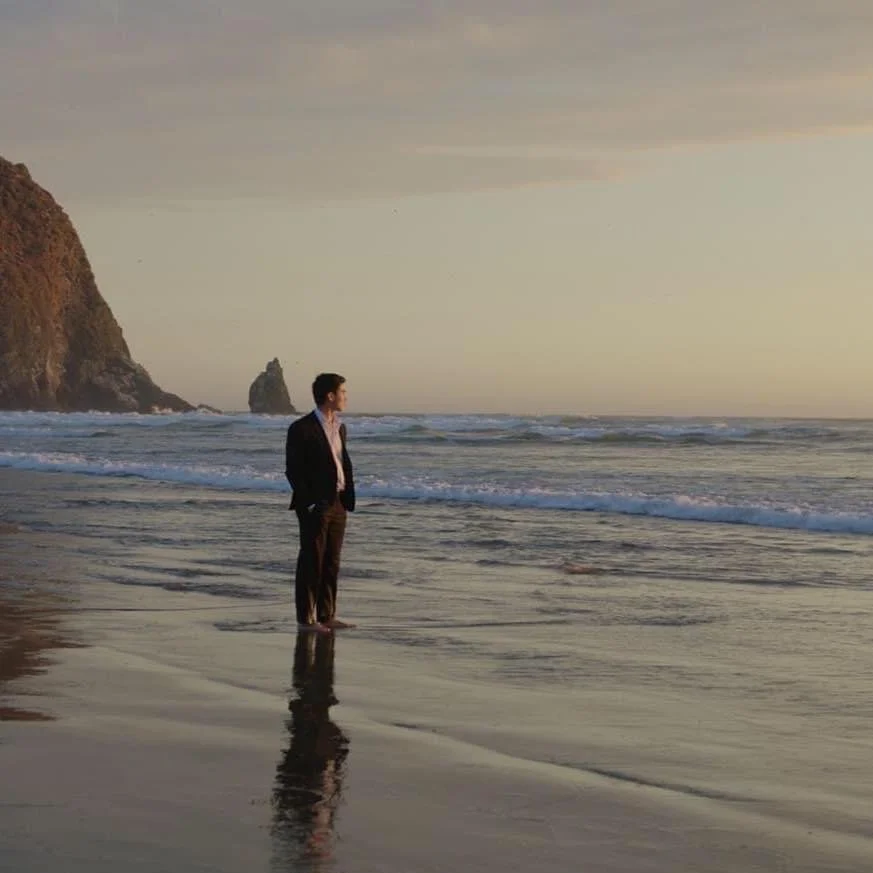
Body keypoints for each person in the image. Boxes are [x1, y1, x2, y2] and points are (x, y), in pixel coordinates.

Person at [285, 373, 355, 632]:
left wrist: (346, 495)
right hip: (315, 503)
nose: (346, 397)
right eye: (343, 392)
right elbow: (293, 469)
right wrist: (310, 502)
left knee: (332, 560)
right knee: (311, 559)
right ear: (330, 395)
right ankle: (306, 619)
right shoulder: (301, 428)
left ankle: (327, 615)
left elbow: (340, 463)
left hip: (338, 501)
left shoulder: (340, 427)